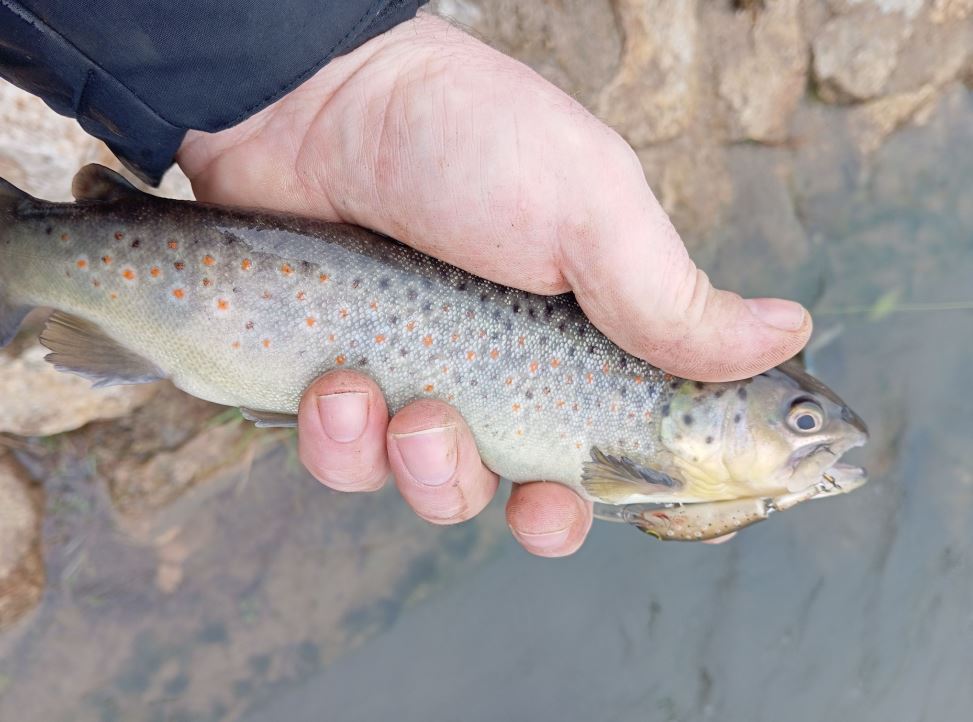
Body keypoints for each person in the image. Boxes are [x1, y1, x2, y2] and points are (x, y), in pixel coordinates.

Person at [0, 3, 810, 556]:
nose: (818, 448)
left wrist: (327, 74)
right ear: (713, 394)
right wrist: (337, 81)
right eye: (801, 422)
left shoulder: (652, 480)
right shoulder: (640, 471)